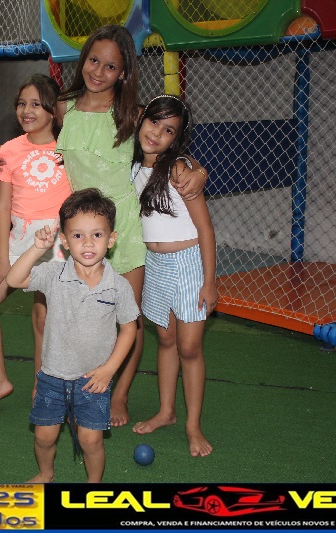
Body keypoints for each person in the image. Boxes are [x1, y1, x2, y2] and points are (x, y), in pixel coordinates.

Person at [0, 25, 208, 427]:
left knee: (127, 318)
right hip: (78, 229)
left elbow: (166, 147)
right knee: (68, 312)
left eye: (110, 66)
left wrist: (198, 170)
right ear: (83, 61)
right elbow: (33, 133)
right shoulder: (64, 107)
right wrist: (1, 155)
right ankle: (64, 383)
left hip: (124, 229)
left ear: (123, 73)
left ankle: (118, 394)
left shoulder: (132, 114)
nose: (98, 71)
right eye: (93, 60)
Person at [6, 188, 140, 482]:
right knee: (44, 436)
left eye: (97, 235)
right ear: (65, 241)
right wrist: (36, 248)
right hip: (52, 376)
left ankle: (93, 484)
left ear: (111, 239)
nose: (88, 243)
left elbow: (130, 329)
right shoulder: (54, 274)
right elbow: (14, 279)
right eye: (78, 235)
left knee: (91, 440)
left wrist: (109, 370)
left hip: (93, 379)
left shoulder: (118, 286)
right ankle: (46, 474)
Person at [0, 74, 72, 415]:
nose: (27, 110)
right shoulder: (8, 151)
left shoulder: (68, 148)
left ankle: (42, 389)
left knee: (43, 318)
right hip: (18, 240)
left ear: (53, 110)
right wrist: (3, 258)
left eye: (37, 104)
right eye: (22, 103)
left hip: (55, 242)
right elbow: (2, 207)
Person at [129, 95, 217, 457]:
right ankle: (166, 411)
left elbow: (205, 228)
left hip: (188, 263)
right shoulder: (132, 166)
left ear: (176, 139)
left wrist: (209, 281)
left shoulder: (179, 169)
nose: (157, 133)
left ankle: (193, 425)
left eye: (168, 130)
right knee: (165, 341)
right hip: (155, 264)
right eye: (154, 122)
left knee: (189, 347)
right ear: (141, 120)